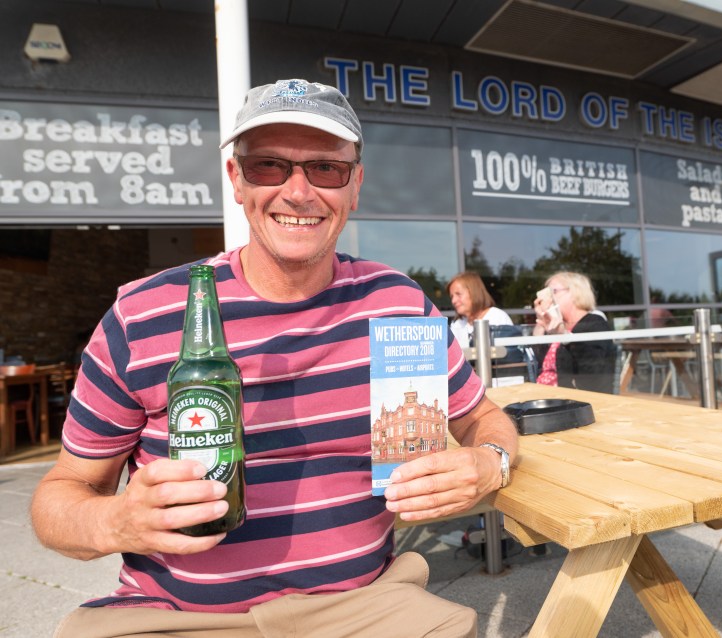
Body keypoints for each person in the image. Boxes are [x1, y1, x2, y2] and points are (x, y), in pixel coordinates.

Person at [30, 79, 517, 638]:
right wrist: (116, 521)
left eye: (326, 169)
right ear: (237, 180)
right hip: (179, 619)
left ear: (355, 185)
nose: (298, 191)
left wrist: (490, 463)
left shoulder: (398, 306)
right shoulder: (144, 315)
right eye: (269, 166)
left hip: (363, 609)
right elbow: (60, 496)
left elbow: (484, 418)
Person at [531, 271, 616, 393]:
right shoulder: (559, 326)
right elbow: (537, 365)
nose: (547, 299)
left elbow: (593, 376)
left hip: (569, 402)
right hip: (542, 395)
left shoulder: (594, 323)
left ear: (576, 293)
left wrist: (564, 336)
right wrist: (541, 322)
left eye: (553, 292)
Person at [448, 272, 531, 386]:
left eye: (458, 294)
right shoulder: (457, 325)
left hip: (504, 387)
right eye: (452, 296)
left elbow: (511, 358)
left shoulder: (497, 317)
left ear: (474, 291)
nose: (454, 301)